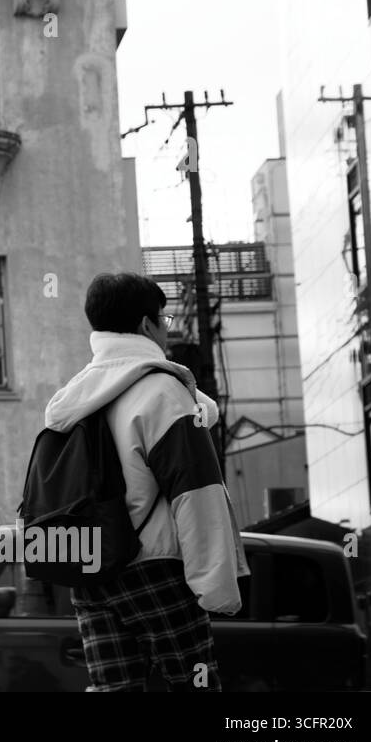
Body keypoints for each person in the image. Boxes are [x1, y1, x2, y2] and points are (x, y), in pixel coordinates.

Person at [44, 272, 250, 691]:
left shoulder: (75, 398)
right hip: (155, 567)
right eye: (165, 320)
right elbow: (197, 492)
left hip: (91, 573)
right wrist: (216, 587)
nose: (167, 330)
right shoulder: (162, 392)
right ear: (145, 325)